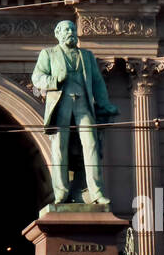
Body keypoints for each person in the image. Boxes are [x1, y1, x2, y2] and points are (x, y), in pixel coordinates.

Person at [30, 19, 118, 204]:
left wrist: (104, 103)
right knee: (59, 147)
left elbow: (97, 82)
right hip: (61, 105)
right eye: (66, 30)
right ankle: (61, 192)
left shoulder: (86, 56)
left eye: (72, 29)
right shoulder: (49, 54)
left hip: (83, 105)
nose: (70, 32)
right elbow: (37, 77)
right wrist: (54, 81)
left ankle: (96, 192)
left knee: (91, 144)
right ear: (58, 34)